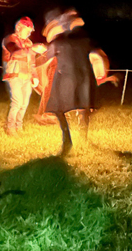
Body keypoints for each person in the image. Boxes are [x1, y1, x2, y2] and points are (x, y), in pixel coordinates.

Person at [40, 8, 95, 155]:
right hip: (84, 77)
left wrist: (37, 53)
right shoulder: (86, 39)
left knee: (58, 108)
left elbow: (46, 57)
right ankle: (83, 137)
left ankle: (67, 140)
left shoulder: (59, 41)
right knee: (84, 107)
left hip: (66, 77)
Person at [1, 16, 44, 136]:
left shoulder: (28, 43)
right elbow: (15, 51)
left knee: (24, 104)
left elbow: (32, 62)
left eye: (31, 31)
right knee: (17, 102)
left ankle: (19, 127)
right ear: (19, 27)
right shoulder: (10, 39)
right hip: (14, 76)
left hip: (27, 77)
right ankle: (10, 128)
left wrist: (35, 76)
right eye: (27, 30)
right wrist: (33, 49)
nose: (29, 33)